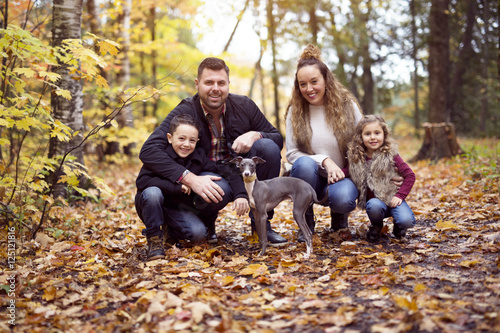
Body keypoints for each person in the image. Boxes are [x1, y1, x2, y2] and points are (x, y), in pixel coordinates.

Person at [136, 57, 286, 259]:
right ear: (198, 84)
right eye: (209, 83)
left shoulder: (244, 106)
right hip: (206, 178)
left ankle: (261, 225)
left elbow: (277, 137)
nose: (215, 88)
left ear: (228, 85)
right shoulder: (185, 111)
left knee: (267, 146)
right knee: (216, 192)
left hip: (238, 173)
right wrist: (188, 178)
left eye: (221, 83)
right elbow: (149, 150)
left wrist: (256, 135)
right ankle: (203, 221)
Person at [135, 114, 249, 260]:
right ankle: (154, 240)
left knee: (198, 233)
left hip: (176, 208)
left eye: (192, 140)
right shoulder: (160, 156)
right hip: (152, 205)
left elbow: (225, 171)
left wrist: (241, 195)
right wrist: (177, 186)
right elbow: (143, 182)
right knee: (152, 193)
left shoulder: (198, 156)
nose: (186, 144)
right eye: (181, 138)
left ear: (197, 141)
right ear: (170, 138)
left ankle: (171, 230)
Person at [285, 44, 363, 242]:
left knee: (343, 199)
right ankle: (306, 224)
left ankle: (339, 220)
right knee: (302, 163)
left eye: (314, 82)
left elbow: (365, 144)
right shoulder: (295, 111)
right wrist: (325, 160)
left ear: (326, 80)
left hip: (342, 178)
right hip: (311, 179)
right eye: (303, 84)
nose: (309, 89)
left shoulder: (347, 105)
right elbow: (292, 153)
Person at [345, 114, 416, 242]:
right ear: (360, 137)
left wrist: (400, 195)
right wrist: (335, 174)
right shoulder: (356, 157)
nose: (373, 137)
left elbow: (410, 175)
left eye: (377, 133)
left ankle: (399, 226)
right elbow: (348, 171)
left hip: (392, 198)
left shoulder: (391, 154)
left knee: (407, 221)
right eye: (367, 134)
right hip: (375, 203)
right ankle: (376, 225)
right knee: (373, 205)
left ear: (384, 134)